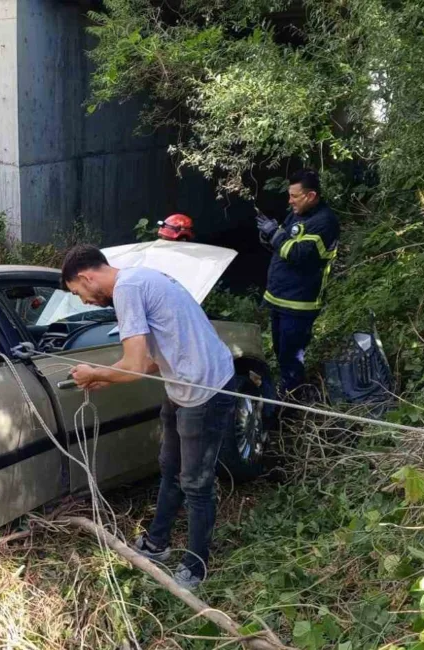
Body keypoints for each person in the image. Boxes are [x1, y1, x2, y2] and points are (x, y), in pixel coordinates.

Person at [62, 244, 237, 591]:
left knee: (196, 483)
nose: (82, 300)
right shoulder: (139, 280)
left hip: (204, 390)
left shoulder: (127, 289)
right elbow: (154, 357)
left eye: (77, 292)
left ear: (86, 277)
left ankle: (196, 565)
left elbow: (136, 367)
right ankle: (157, 542)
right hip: (181, 386)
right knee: (169, 467)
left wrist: (95, 372)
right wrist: (102, 375)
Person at [255, 169, 340, 399]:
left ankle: (293, 398)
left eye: (294, 196)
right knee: (280, 351)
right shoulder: (296, 214)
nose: (289, 200)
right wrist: (269, 237)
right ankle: (287, 388)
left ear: (311, 196)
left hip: (300, 302)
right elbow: (283, 244)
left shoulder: (325, 222)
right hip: (278, 297)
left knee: (291, 357)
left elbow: (300, 254)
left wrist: (275, 235)